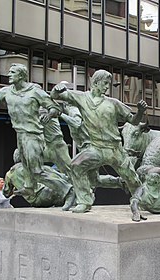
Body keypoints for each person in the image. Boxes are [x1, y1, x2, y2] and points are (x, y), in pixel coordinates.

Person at [51, 69, 148, 215]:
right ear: (95, 83)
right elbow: (55, 96)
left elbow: (133, 121)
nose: (107, 87)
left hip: (115, 150)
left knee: (132, 179)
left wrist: (140, 112)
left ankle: (145, 201)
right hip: (95, 148)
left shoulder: (113, 103)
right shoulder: (81, 97)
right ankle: (84, 201)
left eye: (109, 84)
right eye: (105, 84)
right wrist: (56, 89)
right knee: (76, 166)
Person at [0, 63, 74, 205]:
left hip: (33, 135)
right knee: (27, 169)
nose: (9, 75)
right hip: (20, 135)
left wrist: (49, 115)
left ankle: (68, 190)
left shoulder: (34, 91)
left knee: (36, 171)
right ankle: (30, 188)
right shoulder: (7, 91)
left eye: (12, 72)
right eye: (9, 72)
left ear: (21, 76)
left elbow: (54, 107)